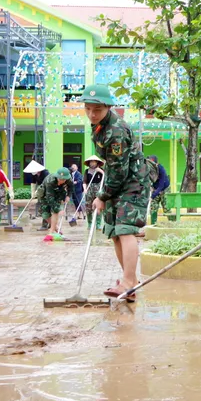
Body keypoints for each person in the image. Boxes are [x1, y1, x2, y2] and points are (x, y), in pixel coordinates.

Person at [81, 83, 154, 302]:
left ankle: (129, 281)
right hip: (117, 181)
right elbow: (112, 168)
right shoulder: (99, 127)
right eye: (88, 109)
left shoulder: (116, 131)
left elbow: (120, 170)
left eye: (98, 110)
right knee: (114, 232)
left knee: (125, 230)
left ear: (107, 108)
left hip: (133, 183)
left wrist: (102, 196)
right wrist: (105, 193)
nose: (92, 114)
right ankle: (128, 282)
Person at [39, 167, 73, 234]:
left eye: (63, 180)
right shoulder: (50, 180)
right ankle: (56, 228)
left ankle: (51, 232)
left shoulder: (69, 179)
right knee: (45, 214)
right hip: (46, 194)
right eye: (59, 179)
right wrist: (59, 210)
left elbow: (71, 188)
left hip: (59, 192)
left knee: (55, 211)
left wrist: (68, 196)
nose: (61, 181)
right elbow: (49, 198)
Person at [83, 155, 106, 229]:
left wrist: (101, 172)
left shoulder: (101, 170)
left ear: (97, 163)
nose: (92, 163)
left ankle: (98, 224)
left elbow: (107, 178)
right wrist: (85, 189)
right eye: (91, 162)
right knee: (88, 207)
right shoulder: (87, 171)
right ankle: (89, 223)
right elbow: (84, 181)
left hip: (98, 190)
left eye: (94, 162)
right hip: (89, 190)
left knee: (98, 206)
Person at [148, 155, 171, 225]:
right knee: (153, 208)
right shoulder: (148, 169)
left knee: (167, 208)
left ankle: (173, 224)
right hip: (155, 189)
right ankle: (153, 224)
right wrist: (151, 187)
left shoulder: (161, 169)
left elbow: (161, 186)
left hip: (165, 189)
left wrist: (152, 197)